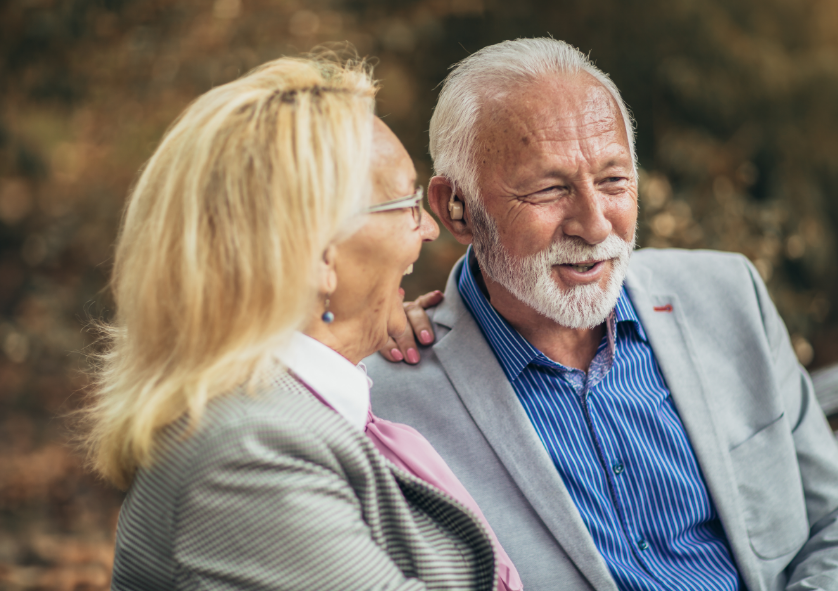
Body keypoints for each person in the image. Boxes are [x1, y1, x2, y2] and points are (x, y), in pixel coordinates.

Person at [367, 38, 838, 591]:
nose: (595, 226)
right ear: (457, 208)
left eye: (613, 180)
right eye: (549, 189)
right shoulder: (386, 400)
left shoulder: (729, 296)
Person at [81, 55, 522, 590]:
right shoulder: (248, 458)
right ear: (320, 255)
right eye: (407, 201)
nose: (429, 228)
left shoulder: (288, 410)